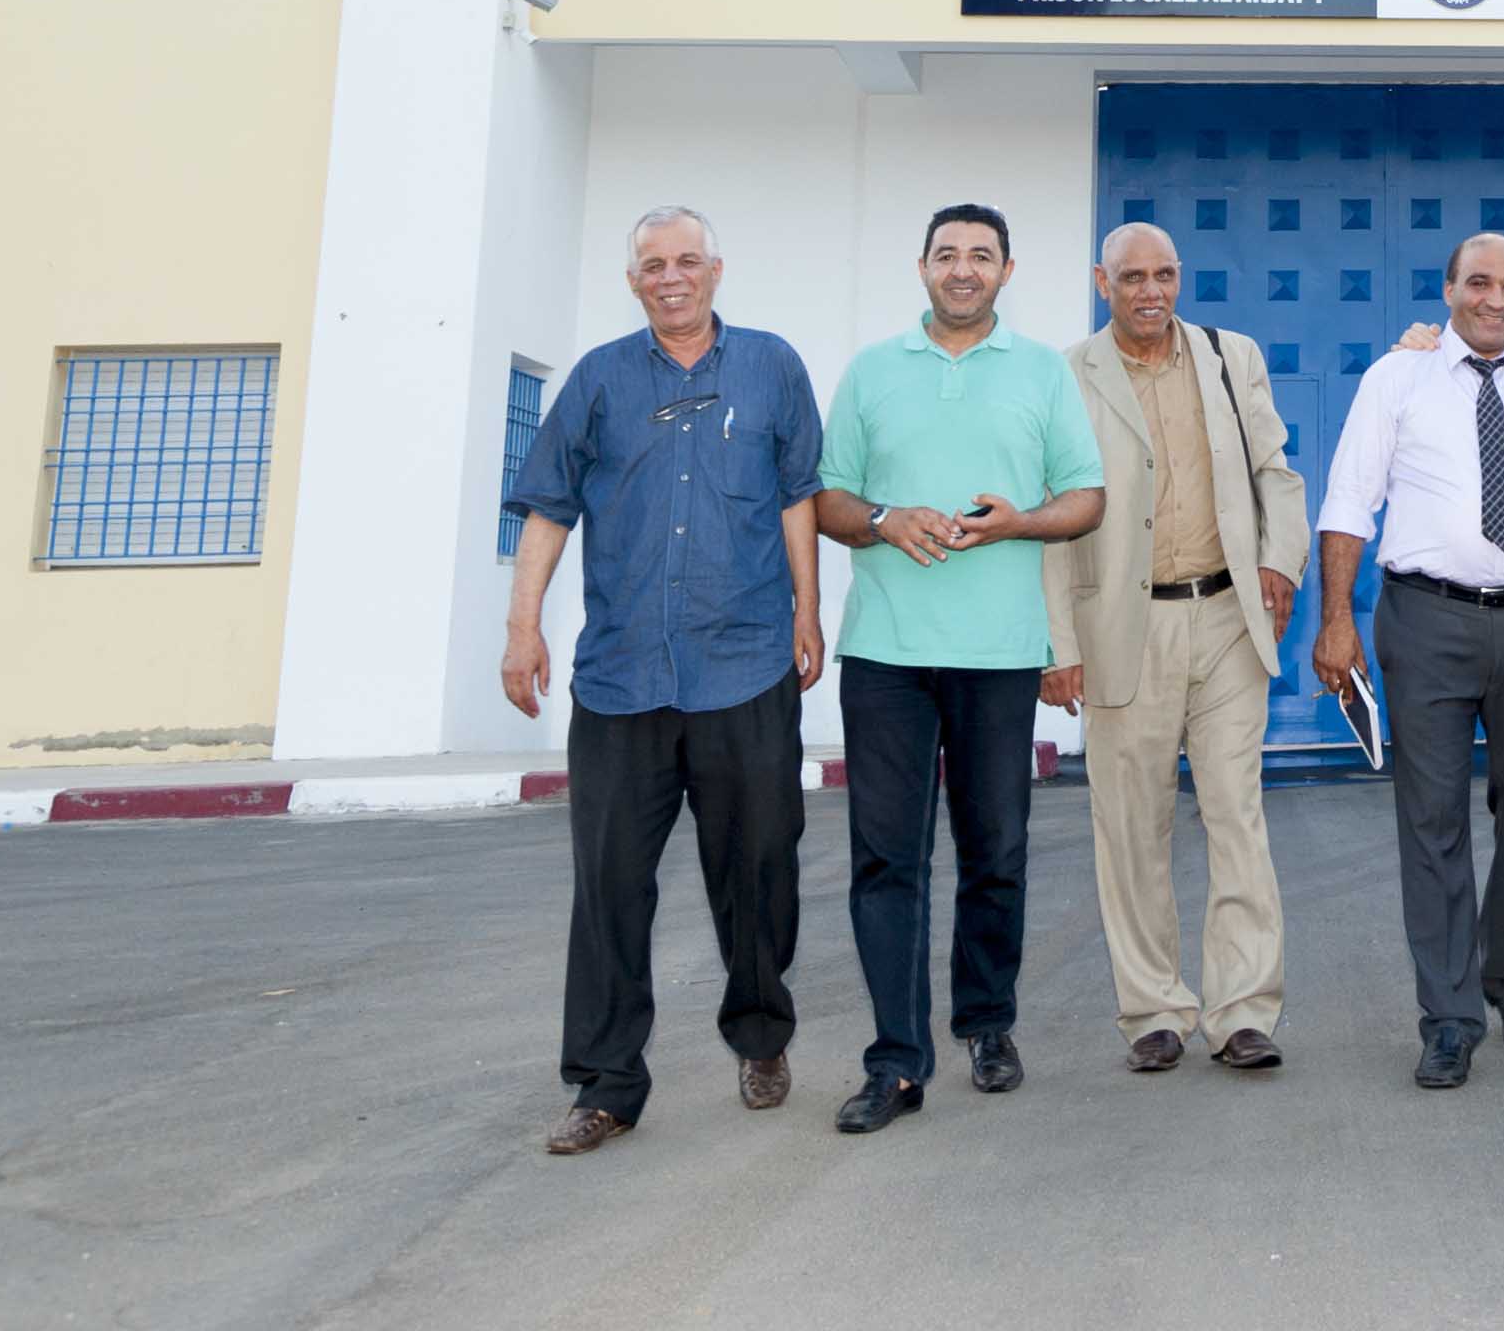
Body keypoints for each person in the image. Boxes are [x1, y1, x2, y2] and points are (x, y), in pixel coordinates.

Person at [500, 204, 825, 1156]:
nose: (671, 277)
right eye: (654, 265)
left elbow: (798, 496)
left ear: (716, 271)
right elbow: (549, 507)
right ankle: (605, 1084)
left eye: (687, 261)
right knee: (609, 886)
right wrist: (522, 628)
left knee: (760, 868)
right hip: (622, 678)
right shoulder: (599, 379)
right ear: (634, 281)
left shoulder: (771, 366)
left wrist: (808, 612)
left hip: (746, 664)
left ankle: (760, 1037)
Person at [811, 202, 1105, 1134]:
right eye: (947, 254)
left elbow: (1087, 497)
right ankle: (896, 1062)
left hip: (998, 653)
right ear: (924, 267)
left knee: (996, 852)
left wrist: (1020, 522)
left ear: (1006, 271)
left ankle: (987, 1024)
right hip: (886, 653)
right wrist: (883, 519)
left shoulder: (1042, 372)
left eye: (982, 255)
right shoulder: (871, 371)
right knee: (886, 860)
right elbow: (827, 497)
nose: (964, 268)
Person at [1312, 232, 1504, 1090]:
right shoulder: (1395, 379)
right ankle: (1449, 1017)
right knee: (1431, 818)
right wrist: (1336, 620)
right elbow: (1349, 500)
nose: (1496, 299)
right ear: (1448, 290)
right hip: (1425, 621)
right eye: (1479, 282)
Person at [1042, 222, 1310, 1076]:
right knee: (1131, 827)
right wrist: (1057, 644)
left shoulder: (1231, 357)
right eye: (1132, 278)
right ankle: (1154, 1009)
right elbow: (1051, 515)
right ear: (1103, 282)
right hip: (1122, 629)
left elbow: (1276, 473)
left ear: (1180, 277)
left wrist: (1280, 560)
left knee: (1237, 814)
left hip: (1227, 618)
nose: (1150, 292)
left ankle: (1242, 1011)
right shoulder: (1066, 375)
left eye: (1163, 275)